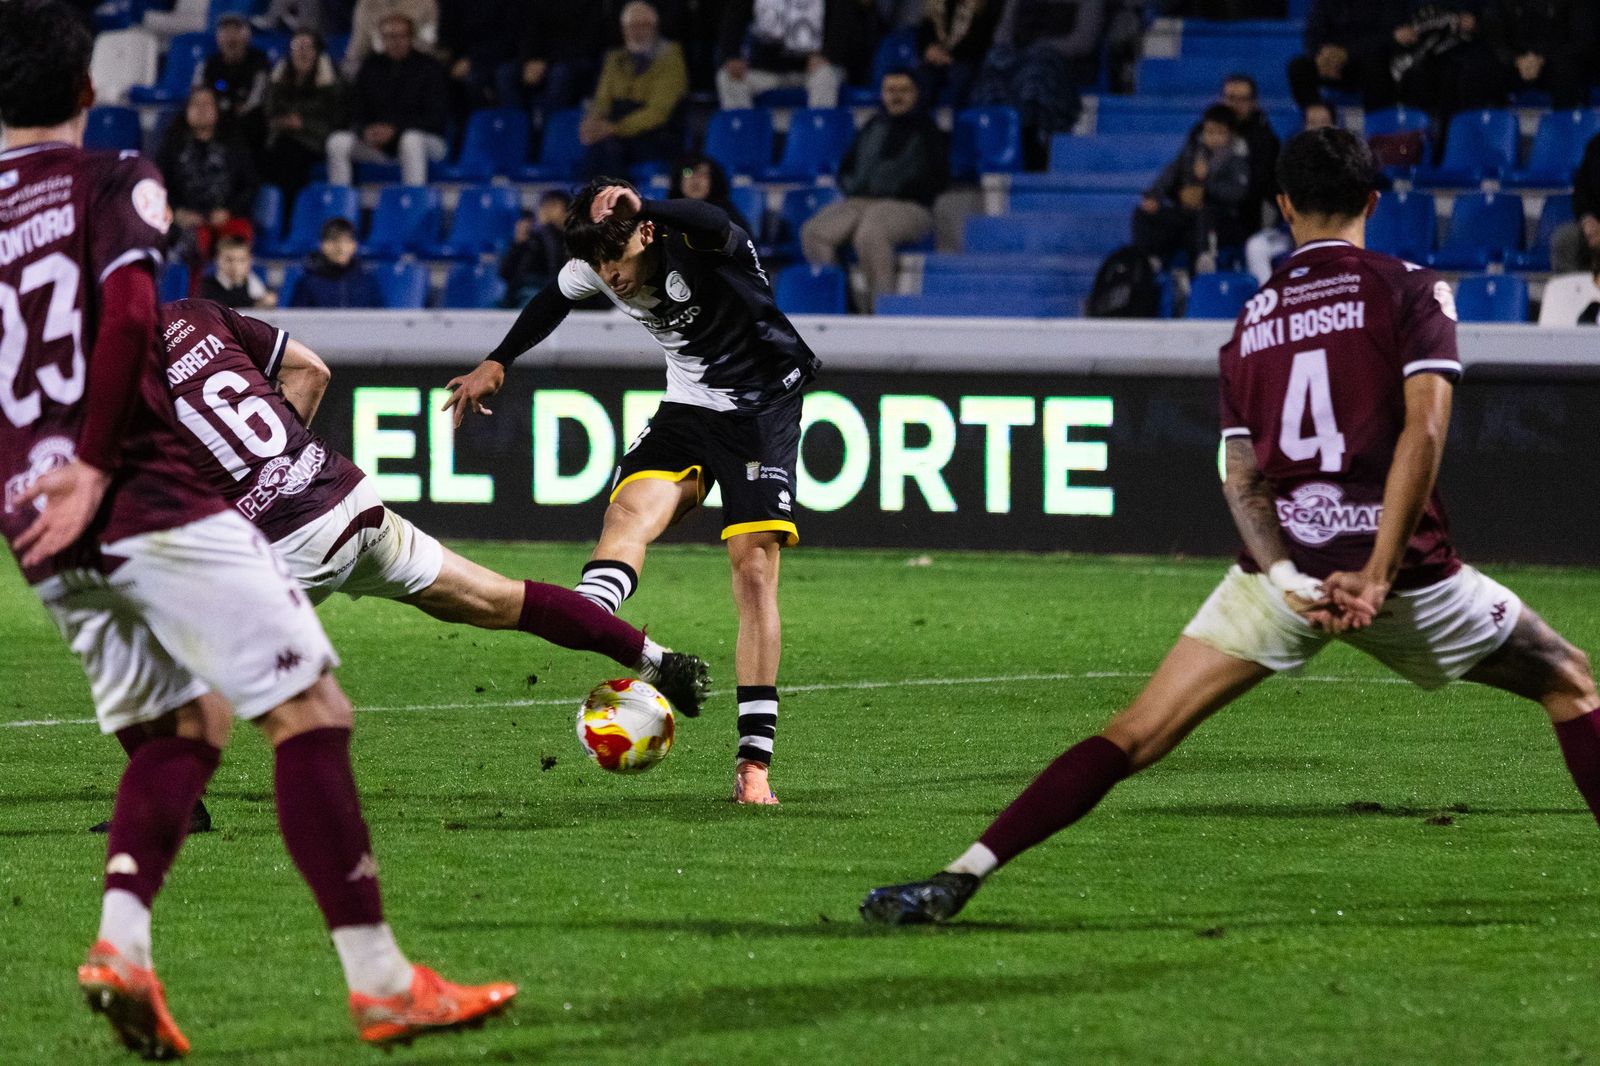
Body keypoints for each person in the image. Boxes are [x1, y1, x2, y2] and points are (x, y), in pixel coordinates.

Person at [861, 126, 1600, 926]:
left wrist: (1285, 577)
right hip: (1400, 573)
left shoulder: (1251, 320)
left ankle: (957, 877)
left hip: (1284, 571)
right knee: (1568, 679)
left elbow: (1241, 473)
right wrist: (1379, 571)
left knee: (1135, 734)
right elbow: (1423, 434)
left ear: (1284, 207)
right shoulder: (1412, 288)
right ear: (1374, 201)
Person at [0, 1, 515, 1055]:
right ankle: (381, 983)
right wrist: (97, 465)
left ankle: (122, 949)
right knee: (310, 708)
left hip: (39, 525)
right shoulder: (115, 176)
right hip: (137, 490)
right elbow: (136, 314)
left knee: (187, 726)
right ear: (87, 92)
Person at [89, 297, 711, 832]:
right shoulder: (197, 314)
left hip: (287, 541)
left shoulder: (106, 382)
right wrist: (283, 469)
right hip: (347, 499)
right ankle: (662, 661)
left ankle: (173, 806)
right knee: (499, 598)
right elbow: (312, 371)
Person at [442, 179, 822, 805]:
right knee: (626, 517)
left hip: (761, 410)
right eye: (596, 263)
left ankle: (753, 762)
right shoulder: (600, 261)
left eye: (613, 260)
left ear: (647, 231)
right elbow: (551, 299)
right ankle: (593, 616)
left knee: (753, 568)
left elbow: (711, 217)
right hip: (687, 407)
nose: (607, 276)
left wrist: (645, 204)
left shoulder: (702, 245)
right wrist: (499, 359)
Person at [800, 69, 948, 310]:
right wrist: (857, 189)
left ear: (916, 94)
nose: (896, 96)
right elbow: (846, 170)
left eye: (903, 90)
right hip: (861, 202)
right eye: (890, 90)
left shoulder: (928, 130)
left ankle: (880, 311)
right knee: (814, 232)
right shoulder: (872, 126)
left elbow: (939, 179)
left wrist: (896, 188)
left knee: (871, 233)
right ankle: (843, 305)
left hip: (909, 206)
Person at [971, 0, 1101, 168]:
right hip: (1020, 57)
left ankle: (1033, 148)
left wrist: (1042, 47)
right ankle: (991, 146)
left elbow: (1083, 41)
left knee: (1036, 76)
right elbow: (1002, 34)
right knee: (995, 62)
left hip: (1063, 63)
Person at [325, 13, 449, 187]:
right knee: (337, 142)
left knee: (410, 140)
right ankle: (340, 207)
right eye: (389, 36)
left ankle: (412, 202)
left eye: (401, 36)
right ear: (381, 39)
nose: (395, 41)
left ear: (411, 37)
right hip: (380, 145)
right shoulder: (370, 67)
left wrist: (395, 130)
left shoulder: (429, 67)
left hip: (426, 142)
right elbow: (356, 111)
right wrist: (365, 131)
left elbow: (436, 118)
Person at [1132, 104, 1251, 272]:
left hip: (1221, 219)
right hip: (1188, 214)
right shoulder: (1193, 151)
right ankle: (1149, 259)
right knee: (1145, 211)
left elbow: (1238, 193)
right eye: (1209, 132)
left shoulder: (1237, 158)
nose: (1213, 138)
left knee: (1205, 214)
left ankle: (1204, 259)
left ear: (1231, 133)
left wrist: (1207, 184)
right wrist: (1154, 196)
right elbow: (1170, 174)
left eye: (1220, 132)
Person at [155, 85, 259, 278]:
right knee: (191, 241)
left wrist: (228, 211)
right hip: (186, 221)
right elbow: (158, 185)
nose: (202, 109)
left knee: (236, 240)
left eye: (207, 104)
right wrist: (177, 212)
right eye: (196, 104)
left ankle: (232, 298)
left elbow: (250, 185)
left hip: (226, 217)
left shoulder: (234, 144)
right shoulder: (172, 145)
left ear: (217, 110)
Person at [580, 2, 688, 179]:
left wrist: (615, 128)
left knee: (607, 149)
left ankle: (616, 201)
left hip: (655, 135)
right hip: (616, 133)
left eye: (643, 26)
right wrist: (593, 121)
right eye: (632, 27)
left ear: (655, 28)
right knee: (597, 147)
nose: (637, 32)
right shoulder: (615, 58)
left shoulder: (671, 58)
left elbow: (657, 112)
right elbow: (602, 99)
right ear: (624, 30)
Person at [262, 30, 347, 209]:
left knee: (288, 155)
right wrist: (282, 122)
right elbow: (269, 113)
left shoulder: (331, 79)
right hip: (284, 137)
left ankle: (290, 214)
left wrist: (303, 125)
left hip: (317, 139)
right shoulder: (279, 77)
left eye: (308, 47)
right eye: (297, 47)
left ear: (317, 52)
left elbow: (337, 119)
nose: (302, 52)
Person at [715, 0, 851, 110]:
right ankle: (744, 137)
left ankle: (817, 136)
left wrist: (827, 55)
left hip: (812, 70)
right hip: (767, 71)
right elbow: (734, 16)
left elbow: (842, 21)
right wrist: (731, 56)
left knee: (825, 76)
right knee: (727, 77)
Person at [1287, 0, 1408, 111]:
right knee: (1299, 67)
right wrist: (1321, 55)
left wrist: (1348, 53)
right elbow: (1313, 34)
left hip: (1371, 62)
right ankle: (1317, 115)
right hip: (1333, 65)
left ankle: (1376, 126)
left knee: (1375, 67)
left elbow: (1391, 36)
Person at [194, 13, 272, 150]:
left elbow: (256, 99)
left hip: (247, 118)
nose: (231, 37)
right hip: (215, 114)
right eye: (226, 31)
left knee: (247, 124)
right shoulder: (209, 64)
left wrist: (238, 110)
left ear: (246, 37)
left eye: (236, 31)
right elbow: (197, 92)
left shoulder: (259, 62)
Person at [515, 4, 605, 116]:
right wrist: (528, 60)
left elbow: (589, 41)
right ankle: (519, 126)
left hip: (577, 59)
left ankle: (547, 126)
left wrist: (547, 62)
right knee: (506, 74)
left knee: (560, 73)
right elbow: (529, 31)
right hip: (541, 60)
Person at [1217, 73, 1279, 234]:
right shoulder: (1205, 130)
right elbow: (1183, 163)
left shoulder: (1265, 139)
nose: (1235, 105)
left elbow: (1257, 186)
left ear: (1254, 103)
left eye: (1242, 99)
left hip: (1250, 212)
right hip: (1211, 208)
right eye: (1231, 98)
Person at [913, 0, 1001, 112]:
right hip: (935, 56)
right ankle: (916, 121)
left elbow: (982, 40)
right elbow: (925, 29)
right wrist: (928, 47)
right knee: (922, 76)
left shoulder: (986, 6)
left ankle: (947, 122)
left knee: (959, 77)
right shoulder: (935, 4)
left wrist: (950, 57)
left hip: (965, 59)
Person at [290, 217, 384, 307]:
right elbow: (297, 320)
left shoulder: (367, 282)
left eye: (347, 241)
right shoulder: (308, 283)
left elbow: (380, 319)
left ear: (354, 245)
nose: (341, 248)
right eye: (334, 241)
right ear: (322, 245)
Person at [500, 193, 572, 308]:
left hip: (552, 294)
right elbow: (506, 273)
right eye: (545, 206)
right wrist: (519, 244)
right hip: (528, 292)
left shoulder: (573, 238)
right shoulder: (533, 239)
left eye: (553, 206)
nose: (547, 211)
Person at [343, 0, 439, 78]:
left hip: (417, 67)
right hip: (379, 68)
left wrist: (398, 46)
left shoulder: (426, 3)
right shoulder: (366, 4)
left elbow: (428, 42)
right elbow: (359, 45)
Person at [1551, 130, 1600, 275]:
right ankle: (1572, 294)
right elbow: (1581, 193)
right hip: (1594, 227)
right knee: (1565, 239)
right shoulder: (1596, 145)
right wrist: (1587, 220)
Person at [669, 152, 754, 235]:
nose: (695, 180)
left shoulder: (727, 218)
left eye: (703, 174)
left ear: (714, 181)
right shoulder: (667, 213)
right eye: (688, 172)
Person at [200, 233, 276, 308]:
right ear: (217, 260)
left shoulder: (257, 286)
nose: (235, 266)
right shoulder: (205, 286)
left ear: (250, 261)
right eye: (229, 260)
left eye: (241, 260)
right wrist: (256, 304)